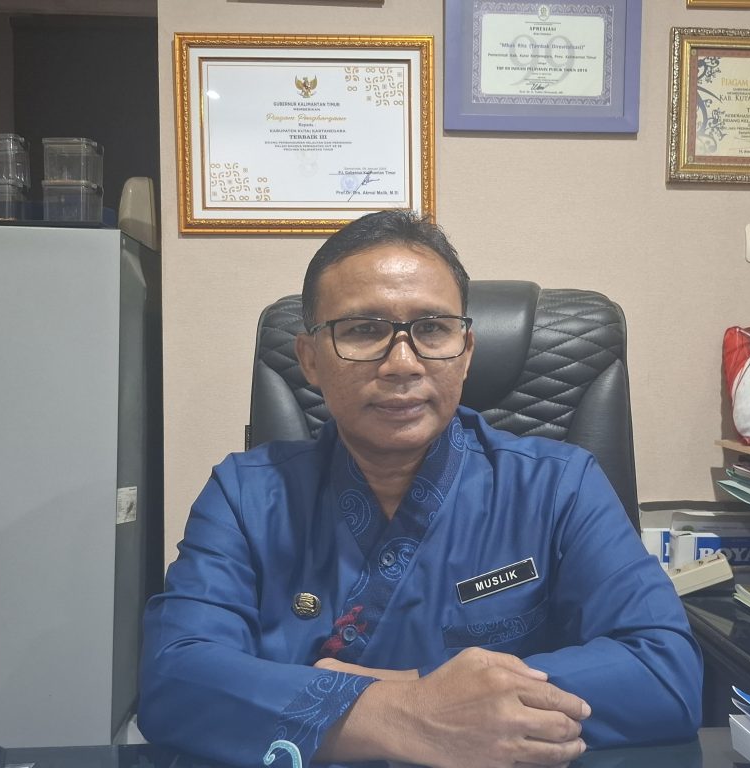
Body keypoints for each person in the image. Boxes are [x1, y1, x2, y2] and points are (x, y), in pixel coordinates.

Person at [138, 210, 703, 768]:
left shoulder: (560, 486)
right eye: (363, 330)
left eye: (432, 329)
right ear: (309, 359)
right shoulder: (245, 496)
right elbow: (174, 678)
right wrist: (407, 714)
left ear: (467, 351)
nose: (403, 364)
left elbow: (664, 672)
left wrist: (418, 693)